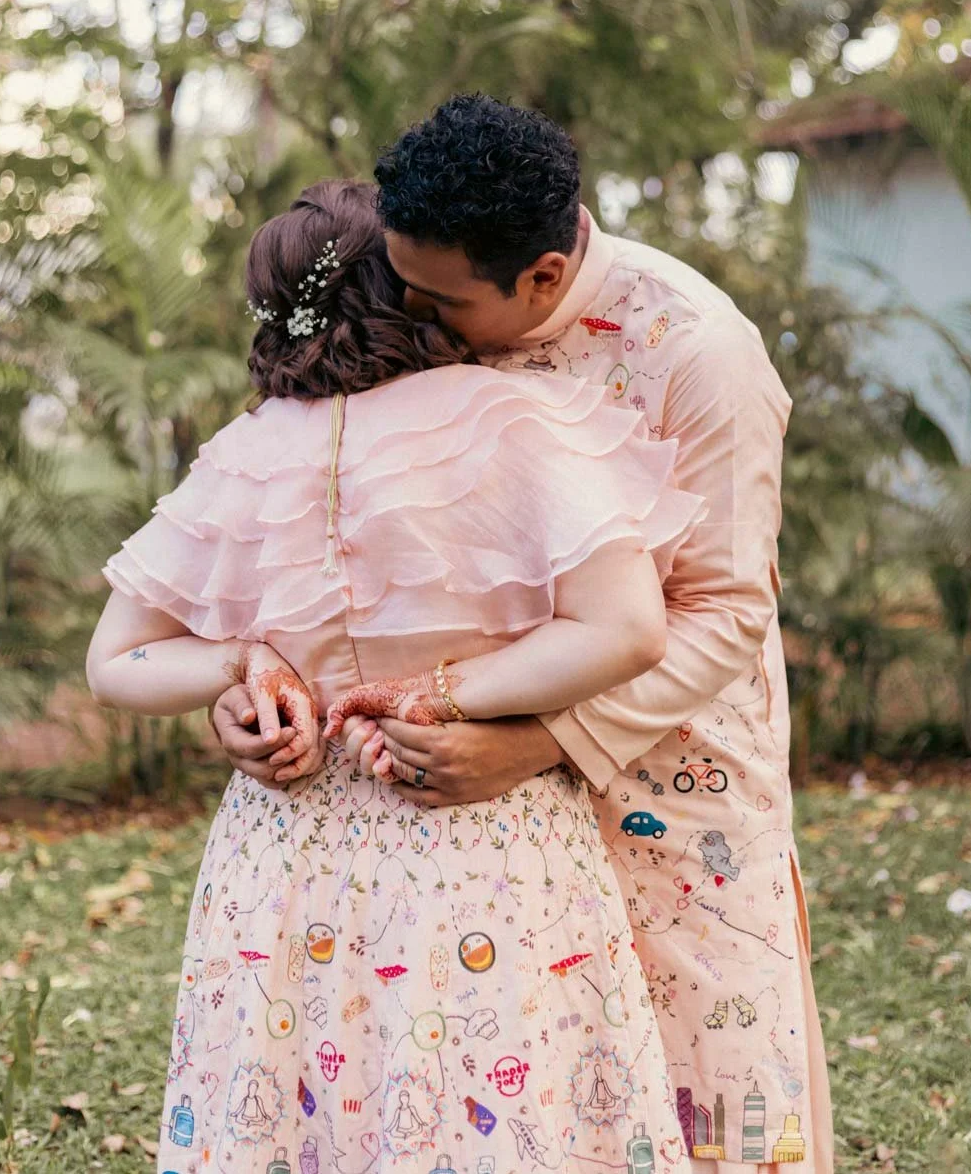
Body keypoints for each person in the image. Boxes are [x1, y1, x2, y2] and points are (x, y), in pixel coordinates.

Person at [213, 98, 835, 1174]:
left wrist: (542, 741)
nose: (414, 318)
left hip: (670, 780)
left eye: (436, 298)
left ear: (542, 274)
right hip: (477, 818)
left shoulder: (693, 350)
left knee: (713, 1087)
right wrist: (262, 684)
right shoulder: (428, 338)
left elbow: (727, 609)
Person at [86, 178, 707, 1174]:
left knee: (301, 1111)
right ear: (409, 283)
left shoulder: (245, 453)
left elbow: (115, 660)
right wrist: (450, 691)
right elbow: (628, 630)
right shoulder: (516, 421)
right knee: (498, 1104)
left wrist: (241, 665)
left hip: (283, 859)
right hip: (480, 837)